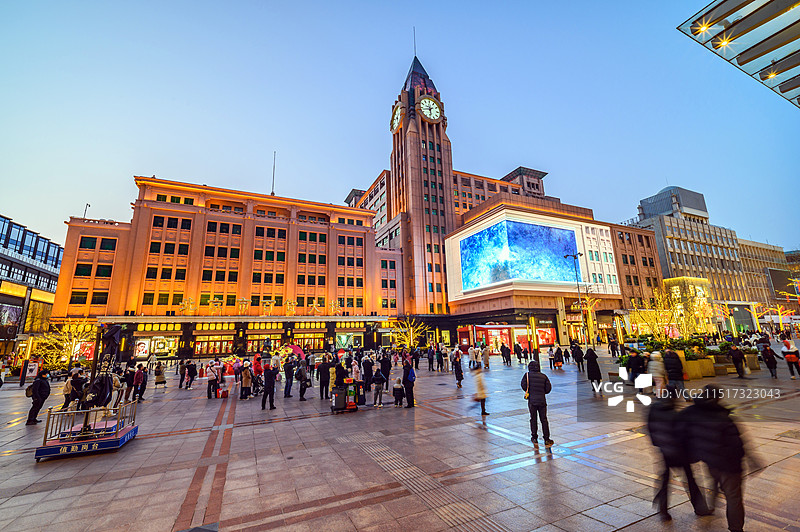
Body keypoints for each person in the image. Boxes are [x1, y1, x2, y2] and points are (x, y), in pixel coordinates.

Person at [679, 385, 746, 532]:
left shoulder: (692, 411)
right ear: (717, 397)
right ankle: (736, 528)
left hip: (709, 461)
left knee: (715, 481)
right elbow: (736, 445)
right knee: (733, 497)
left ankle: (711, 507)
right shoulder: (722, 417)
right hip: (729, 465)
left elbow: (679, 428)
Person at [647, 386, 711, 521]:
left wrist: (658, 443)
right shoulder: (674, 415)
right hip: (679, 453)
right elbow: (682, 437)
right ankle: (700, 508)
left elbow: (650, 428)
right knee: (690, 480)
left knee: (665, 480)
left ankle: (663, 510)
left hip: (665, 451)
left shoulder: (654, 408)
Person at [520, 361, 552, 445]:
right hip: (542, 400)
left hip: (532, 401)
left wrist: (530, 391)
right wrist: (542, 392)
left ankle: (534, 437)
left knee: (533, 419)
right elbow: (548, 389)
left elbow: (523, 385)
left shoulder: (527, 375)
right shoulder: (544, 376)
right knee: (544, 419)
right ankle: (546, 438)